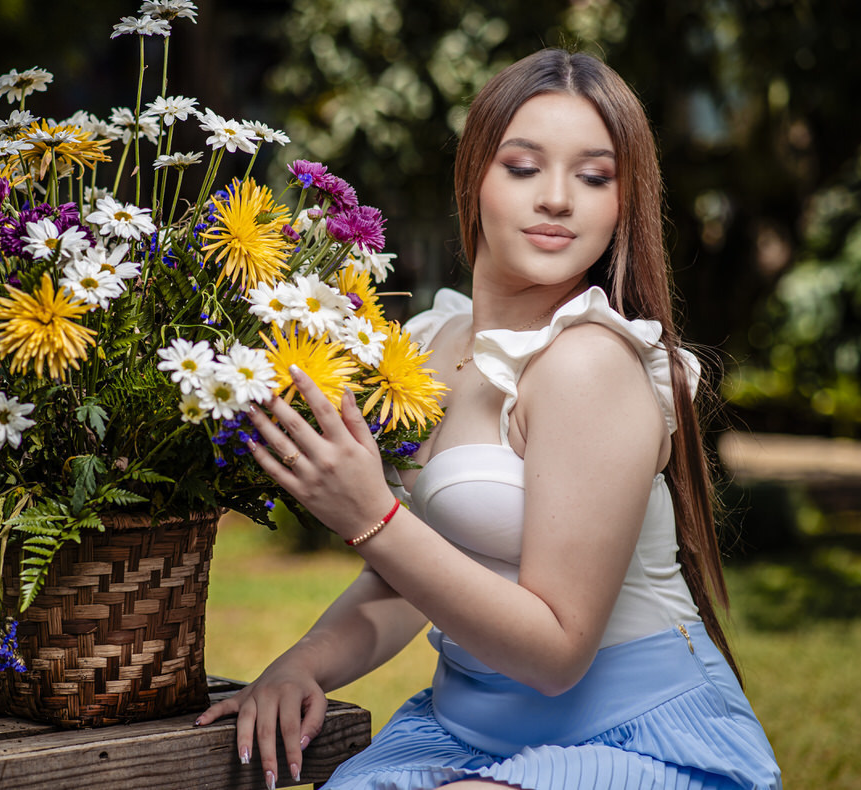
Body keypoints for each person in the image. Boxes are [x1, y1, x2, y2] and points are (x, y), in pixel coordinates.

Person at [194, 48, 781, 790]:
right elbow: (413, 579)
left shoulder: (589, 364)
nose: (558, 198)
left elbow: (557, 653)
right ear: (474, 177)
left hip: (632, 739)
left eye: (595, 176)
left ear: (622, 206)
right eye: (524, 166)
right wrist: (302, 663)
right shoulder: (432, 346)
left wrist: (372, 514)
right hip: (463, 732)